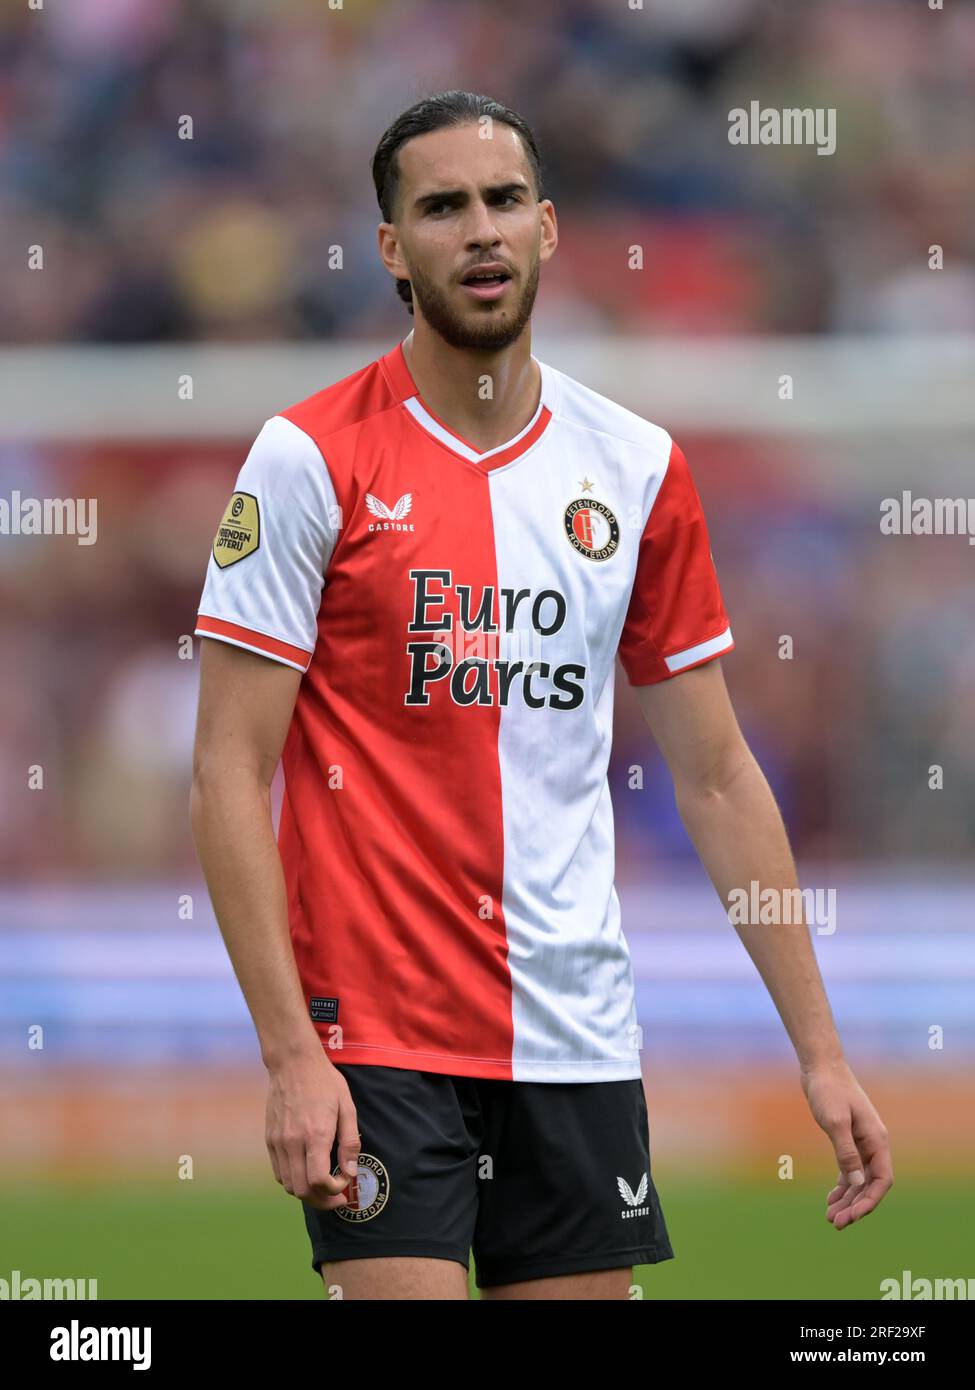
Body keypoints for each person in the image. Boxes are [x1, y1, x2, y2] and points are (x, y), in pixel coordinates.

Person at [189, 90, 893, 1302]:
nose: (480, 231)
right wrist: (291, 1053)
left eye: (504, 201)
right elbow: (226, 769)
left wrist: (821, 1051)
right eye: (443, 206)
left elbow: (718, 772)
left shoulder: (636, 468)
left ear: (550, 228)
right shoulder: (306, 460)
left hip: (575, 1038)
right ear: (392, 248)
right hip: (376, 1042)